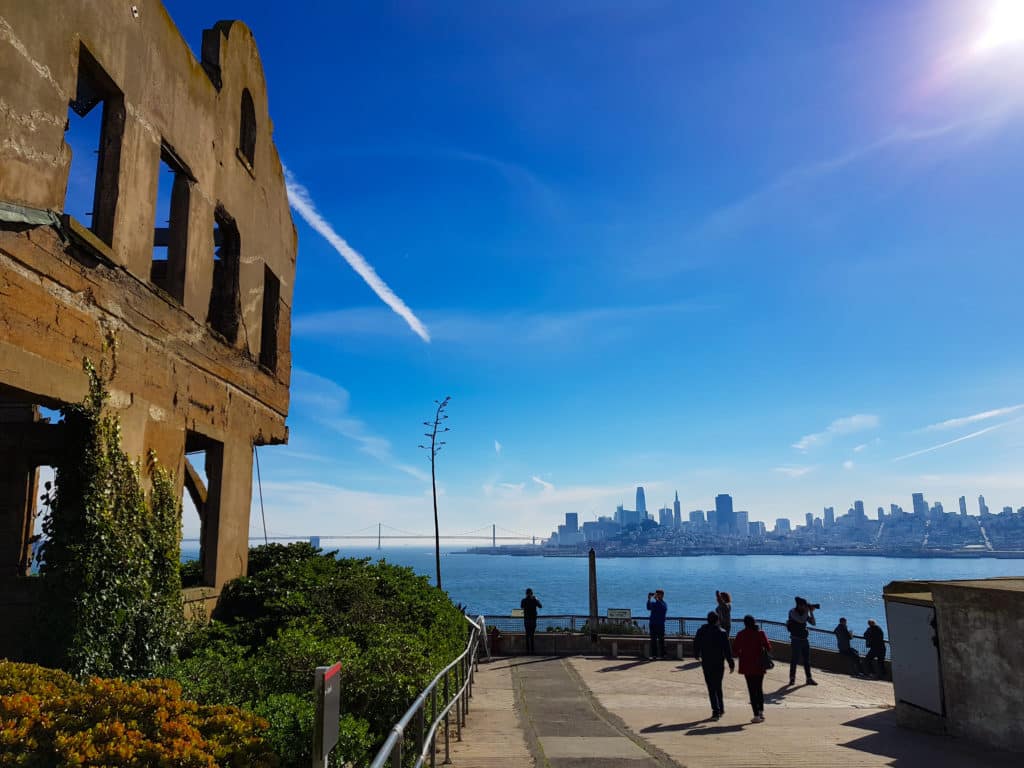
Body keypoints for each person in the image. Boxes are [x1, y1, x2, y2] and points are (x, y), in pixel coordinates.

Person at [694, 611, 734, 719]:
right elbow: (727, 650)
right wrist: (731, 663)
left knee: (711, 687)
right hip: (718, 663)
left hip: (706, 662)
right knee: (718, 685)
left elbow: (696, 643)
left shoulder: (701, 631)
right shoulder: (722, 632)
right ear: (717, 620)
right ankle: (720, 708)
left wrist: (696, 654)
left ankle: (716, 710)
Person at [732, 614, 772, 723]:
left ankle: (756, 715)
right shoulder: (760, 633)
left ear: (744, 623)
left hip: (747, 665)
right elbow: (768, 647)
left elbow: (735, 649)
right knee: (759, 689)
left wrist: (741, 654)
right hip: (759, 665)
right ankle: (761, 712)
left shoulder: (741, 634)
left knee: (752, 690)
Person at [786, 596, 817, 686]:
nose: (804, 607)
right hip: (795, 639)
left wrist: (811, 612)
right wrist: (807, 611)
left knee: (807, 660)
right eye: (803, 606)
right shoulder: (792, 612)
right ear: (799, 605)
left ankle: (809, 678)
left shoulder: (805, 612)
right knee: (794, 660)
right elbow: (800, 620)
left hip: (804, 640)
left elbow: (814, 623)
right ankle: (792, 679)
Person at [646, 589, 667, 659]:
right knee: (653, 640)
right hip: (653, 624)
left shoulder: (664, 604)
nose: (657, 595)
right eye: (656, 594)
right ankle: (654, 655)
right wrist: (649, 599)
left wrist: (657, 599)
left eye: (658, 594)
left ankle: (663, 655)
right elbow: (648, 607)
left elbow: (662, 608)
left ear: (662, 595)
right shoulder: (654, 603)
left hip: (660, 624)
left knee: (661, 640)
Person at [521, 588, 542, 654]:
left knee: (527, 635)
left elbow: (521, 606)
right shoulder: (534, 600)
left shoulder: (524, 600)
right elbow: (540, 606)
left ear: (526, 593)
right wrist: (536, 599)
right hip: (533, 620)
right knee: (532, 635)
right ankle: (532, 650)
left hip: (526, 620)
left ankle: (527, 650)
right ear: (532, 593)